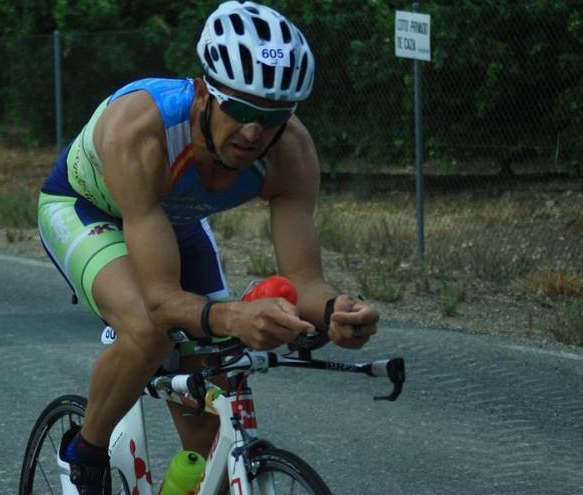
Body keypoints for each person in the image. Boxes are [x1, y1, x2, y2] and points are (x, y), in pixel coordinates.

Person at [37, 1, 379, 493]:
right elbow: (160, 300)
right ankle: (84, 452)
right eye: (239, 109)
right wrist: (232, 315)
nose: (253, 132)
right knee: (149, 330)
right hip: (86, 208)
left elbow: (304, 281)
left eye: (273, 116)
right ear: (203, 93)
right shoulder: (142, 127)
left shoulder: (291, 151)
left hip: (170, 220)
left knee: (210, 441)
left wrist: (334, 311)